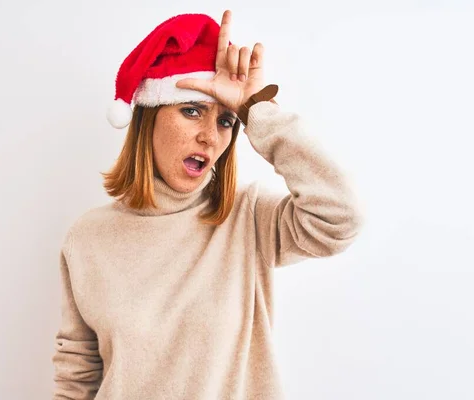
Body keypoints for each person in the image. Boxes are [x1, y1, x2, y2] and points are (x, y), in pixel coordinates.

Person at [51, 10, 364, 400]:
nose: (210, 137)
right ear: (149, 116)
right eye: (192, 110)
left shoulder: (247, 217)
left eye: (225, 122)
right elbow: (77, 375)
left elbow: (341, 218)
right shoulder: (88, 238)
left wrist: (255, 110)